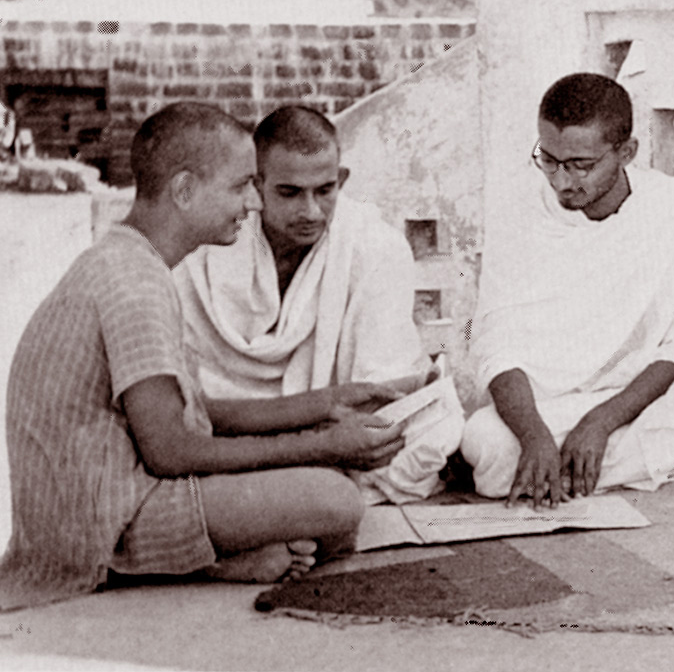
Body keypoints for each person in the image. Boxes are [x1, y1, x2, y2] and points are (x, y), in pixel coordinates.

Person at [0, 103, 403, 609]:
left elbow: (192, 413)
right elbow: (170, 453)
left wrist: (324, 404)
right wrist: (323, 447)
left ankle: (226, 555)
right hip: (104, 521)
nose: (252, 203)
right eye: (240, 186)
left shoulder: (131, 261)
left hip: (106, 501)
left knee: (323, 499)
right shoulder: (134, 282)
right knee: (337, 500)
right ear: (185, 191)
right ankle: (198, 562)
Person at [459, 73, 674, 505]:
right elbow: (496, 346)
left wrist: (601, 423)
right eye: (548, 160)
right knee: (487, 443)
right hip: (551, 406)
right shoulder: (517, 215)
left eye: (580, 165)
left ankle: (573, 469)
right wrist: (533, 435)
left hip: (642, 397)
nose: (561, 181)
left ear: (627, 152)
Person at [174, 105, 461, 503]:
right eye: (290, 193)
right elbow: (191, 394)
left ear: (341, 179)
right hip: (237, 423)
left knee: (427, 434)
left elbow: (383, 382)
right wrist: (317, 438)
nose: (310, 211)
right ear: (256, 184)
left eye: (325, 191)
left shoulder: (374, 245)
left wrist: (348, 426)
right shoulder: (212, 244)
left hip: (335, 421)